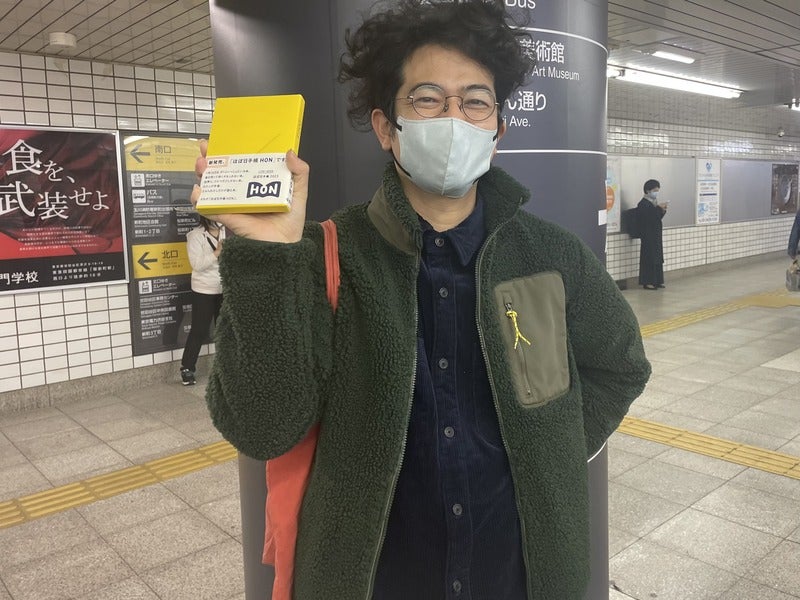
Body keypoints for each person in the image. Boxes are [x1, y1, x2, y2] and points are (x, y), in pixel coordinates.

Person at [195, 1, 651, 598]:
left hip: (519, 578)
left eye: (476, 102)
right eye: (428, 99)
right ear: (387, 128)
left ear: (497, 130)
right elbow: (262, 429)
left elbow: (620, 365)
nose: (455, 117)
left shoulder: (550, 255)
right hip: (373, 581)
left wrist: (551, 455)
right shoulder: (322, 256)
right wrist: (263, 256)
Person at [179, 215, 224, 385]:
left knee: (223, 330)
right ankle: (187, 368)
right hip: (203, 290)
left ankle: (224, 368)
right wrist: (217, 253)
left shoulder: (227, 233)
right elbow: (196, 264)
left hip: (224, 288)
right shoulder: (195, 235)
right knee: (199, 330)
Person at [636, 179, 667, 290]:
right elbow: (648, 218)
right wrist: (658, 209)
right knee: (648, 258)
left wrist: (662, 210)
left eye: (657, 190)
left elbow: (656, 218)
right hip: (648, 235)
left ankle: (657, 280)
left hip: (655, 234)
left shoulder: (653, 203)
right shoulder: (643, 204)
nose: (656, 192)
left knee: (657, 257)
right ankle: (647, 282)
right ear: (648, 190)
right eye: (654, 190)